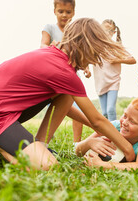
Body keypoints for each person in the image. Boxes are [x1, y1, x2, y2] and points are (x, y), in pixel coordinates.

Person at [0, 18, 136, 170]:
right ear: (86, 46)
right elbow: (97, 120)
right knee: (49, 167)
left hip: (4, 110)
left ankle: (40, 145)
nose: (93, 61)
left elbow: (68, 108)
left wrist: (98, 130)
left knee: (66, 95)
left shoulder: (57, 57)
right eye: (94, 55)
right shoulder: (64, 71)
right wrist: (128, 149)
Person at [40, 0, 90, 147]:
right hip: (54, 75)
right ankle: (45, 137)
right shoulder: (49, 28)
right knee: (55, 104)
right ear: (54, 11)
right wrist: (51, 46)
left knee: (79, 107)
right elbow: (42, 44)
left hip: (71, 75)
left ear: (73, 13)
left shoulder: (75, 32)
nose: (64, 15)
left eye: (68, 12)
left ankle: (77, 142)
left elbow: (79, 54)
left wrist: (85, 67)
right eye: (60, 11)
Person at [92, 19, 136, 121]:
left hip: (113, 82)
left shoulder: (116, 46)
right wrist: (86, 69)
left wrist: (117, 60)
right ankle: (106, 134)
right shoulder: (96, 46)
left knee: (111, 109)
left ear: (114, 32)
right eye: (104, 30)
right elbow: (87, 58)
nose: (107, 33)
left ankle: (114, 133)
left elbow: (133, 60)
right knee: (105, 113)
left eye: (109, 31)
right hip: (101, 83)